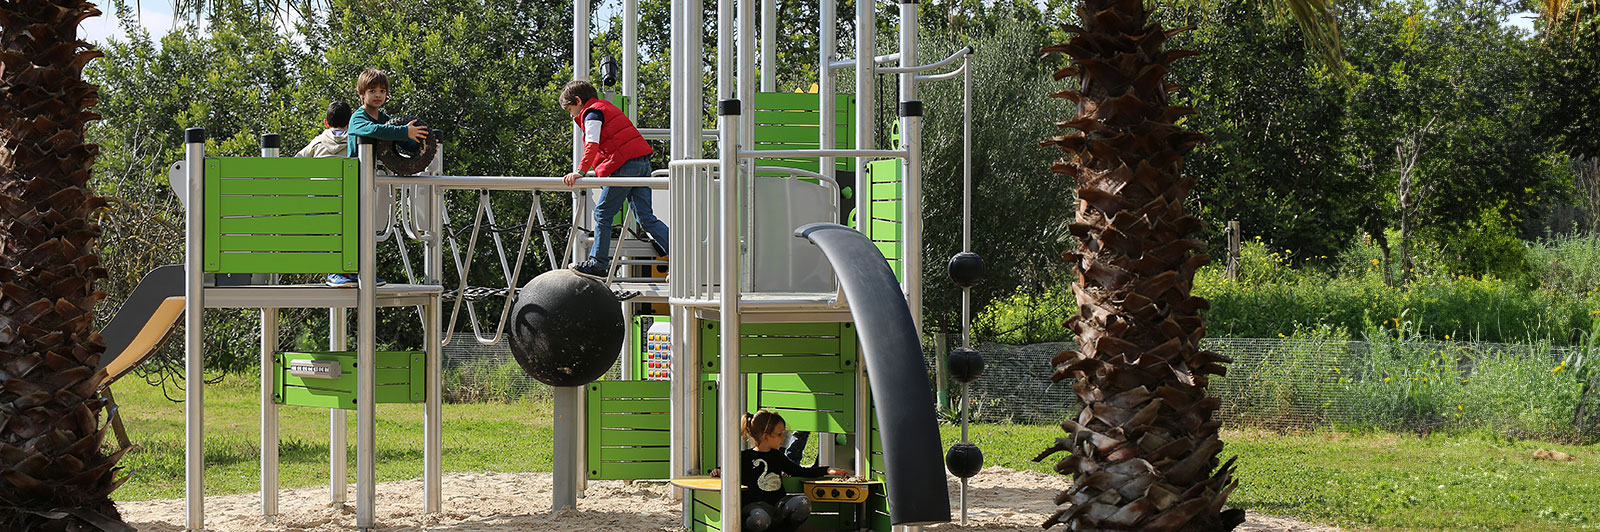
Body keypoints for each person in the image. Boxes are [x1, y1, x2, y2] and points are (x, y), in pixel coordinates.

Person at [558, 80, 669, 280]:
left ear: (577, 100)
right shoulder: (607, 107)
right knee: (645, 218)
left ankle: (598, 264)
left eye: (570, 109)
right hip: (641, 162)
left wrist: (580, 171)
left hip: (624, 166)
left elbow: (592, 144)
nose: (571, 115)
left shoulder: (592, 113)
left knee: (602, 214)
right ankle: (681, 257)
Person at [327, 68, 428, 287]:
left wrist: (421, 143)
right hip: (354, 180)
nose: (378, 95)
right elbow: (374, 130)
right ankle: (335, 272)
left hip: (372, 182)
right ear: (361, 94)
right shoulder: (358, 118)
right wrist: (403, 132)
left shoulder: (385, 118)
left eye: (382, 90)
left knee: (367, 228)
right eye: (372, 90)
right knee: (349, 227)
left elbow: (398, 140)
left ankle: (361, 271)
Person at [711, 410, 850, 532]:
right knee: (760, 520)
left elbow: (797, 470)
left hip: (779, 505)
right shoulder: (745, 457)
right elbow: (728, 470)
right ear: (766, 436)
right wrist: (718, 472)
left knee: (803, 503)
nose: (783, 438)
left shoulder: (777, 456)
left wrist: (827, 470)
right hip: (756, 507)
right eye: (779, 434)